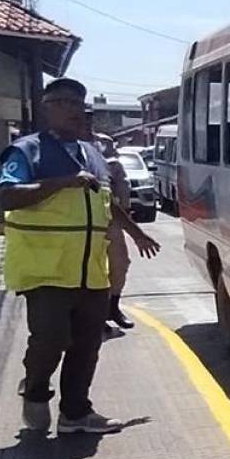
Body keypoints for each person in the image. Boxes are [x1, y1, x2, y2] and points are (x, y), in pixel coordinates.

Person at [0, 78, 159, 435]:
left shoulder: (91, 153)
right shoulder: (26, 151)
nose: (74, 110)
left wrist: (136, 232)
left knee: (88, 343)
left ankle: (75, 413)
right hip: (46, 268)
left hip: (91, 270)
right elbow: (8, 196)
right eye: (65, 102)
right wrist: (61, 182)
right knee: (52, 338)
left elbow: (105, 202)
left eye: (79, 105)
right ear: (47, 107)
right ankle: (36, 389)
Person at [89, 132, 139, 332]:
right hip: (85, 221)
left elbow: (120, 188)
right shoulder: (70, 150)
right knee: (94, 270)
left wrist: (126, 213)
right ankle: (96, 316)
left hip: (111, 218)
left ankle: (113, 307)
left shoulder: (108, 152)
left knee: (120, 263)